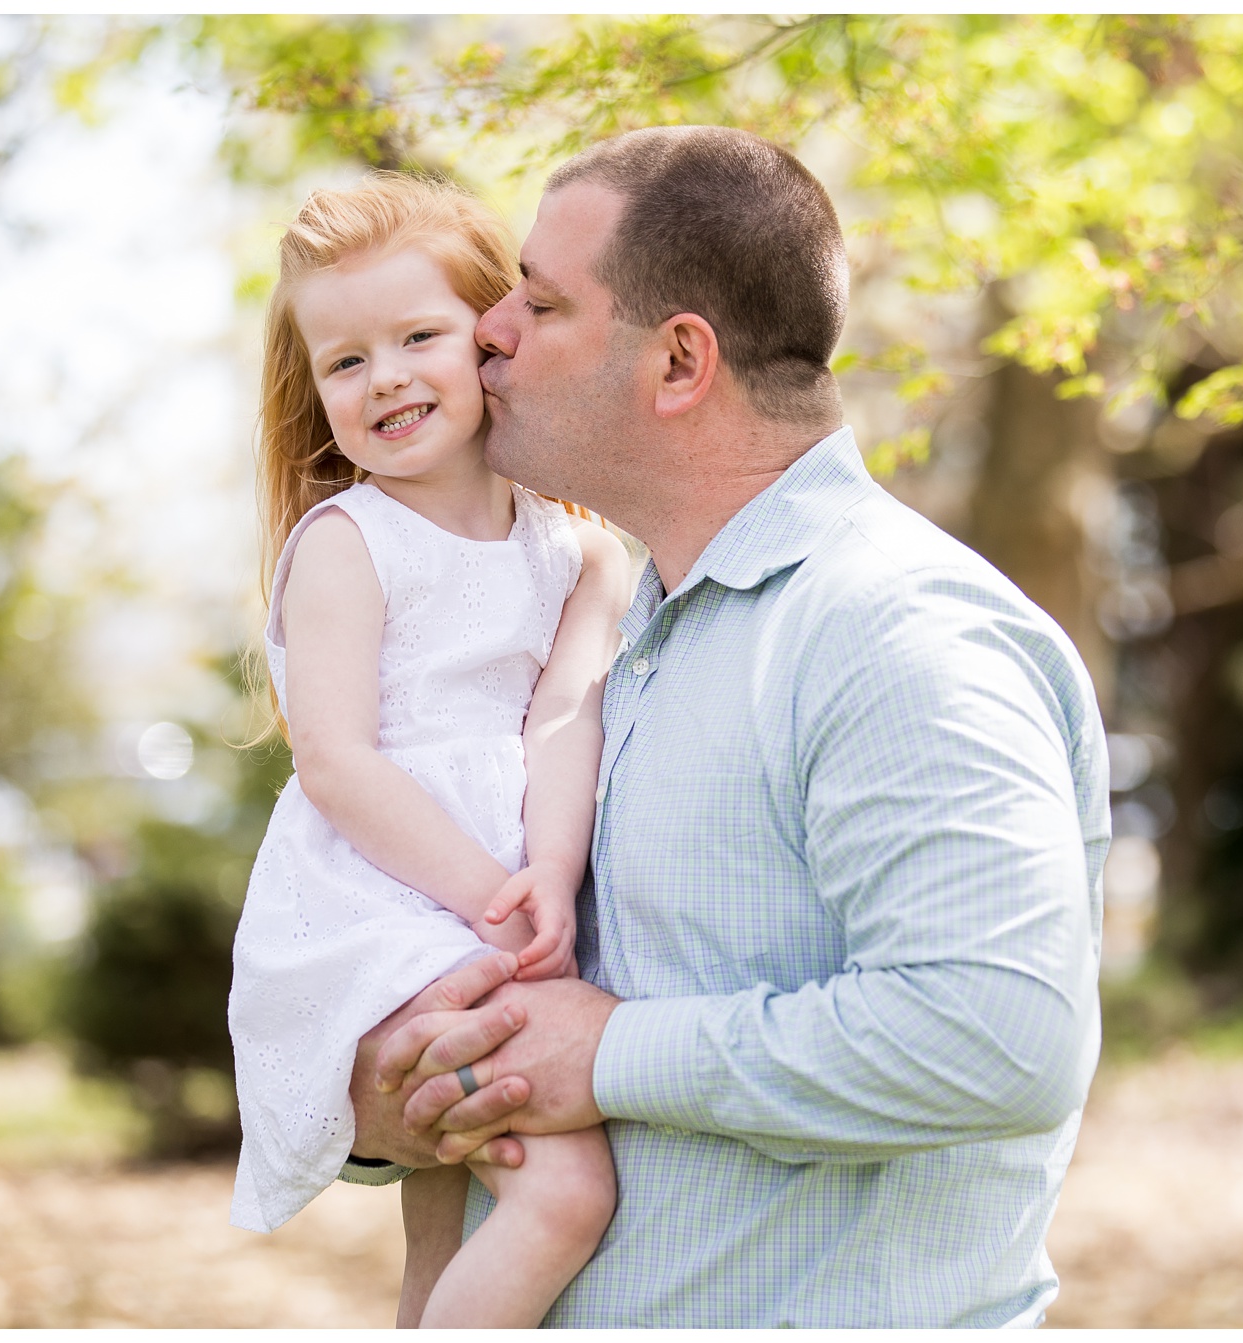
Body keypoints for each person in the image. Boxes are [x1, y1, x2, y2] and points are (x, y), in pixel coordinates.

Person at [351, 127, 1112, 1327]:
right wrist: (397, 1100)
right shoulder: (616, 633)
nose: (484, 329)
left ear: (677, 362)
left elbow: (996, 1037)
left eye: (538, 303)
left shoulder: (894, 634)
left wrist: (606, 1056)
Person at [225, 172, 631, 1328]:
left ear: (491, 337)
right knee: (560, 1187)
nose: (386, 375)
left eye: (418, 335)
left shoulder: (576, 553)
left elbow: (563, 720)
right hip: (380, 901)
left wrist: (545, 875)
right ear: (312, 388)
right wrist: (487, 894)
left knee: (450, 1235)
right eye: (345, 359)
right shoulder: (348, 544)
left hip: (509, 895)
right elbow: (338, 764)